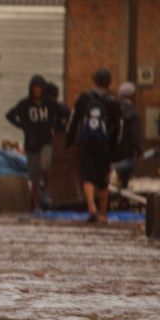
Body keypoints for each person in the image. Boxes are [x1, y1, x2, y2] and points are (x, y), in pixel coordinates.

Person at [66, 68, 121, 223]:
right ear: (109, 83)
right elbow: (118, 127)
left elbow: (73, 120)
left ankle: (91, 207)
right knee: (103, 179)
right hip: (104, 144)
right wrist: (114, 148)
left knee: (87, 175)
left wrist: (70, 141)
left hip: (86, 142)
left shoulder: (84, 98)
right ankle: (103, 213)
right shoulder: (113, 101)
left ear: (94, 81)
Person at [6, 75, 64, 214]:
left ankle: (48, 191)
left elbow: (64, 113)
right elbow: (10, 115)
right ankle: (37, 205)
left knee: (45, 163)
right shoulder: (25, 104)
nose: (37, 91)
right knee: (34, 176)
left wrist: (55, 127)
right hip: (31, 142)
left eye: (39, 88)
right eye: (35, 88)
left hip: (46, 140)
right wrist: (23, 126)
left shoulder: (50, 103)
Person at [114, 82, 144, 188]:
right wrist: (139, 150)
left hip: (112, 151)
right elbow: (135, 135)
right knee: (125, 174)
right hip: (127, 152)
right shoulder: (133, 113)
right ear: (132, 96)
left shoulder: (112, 110)